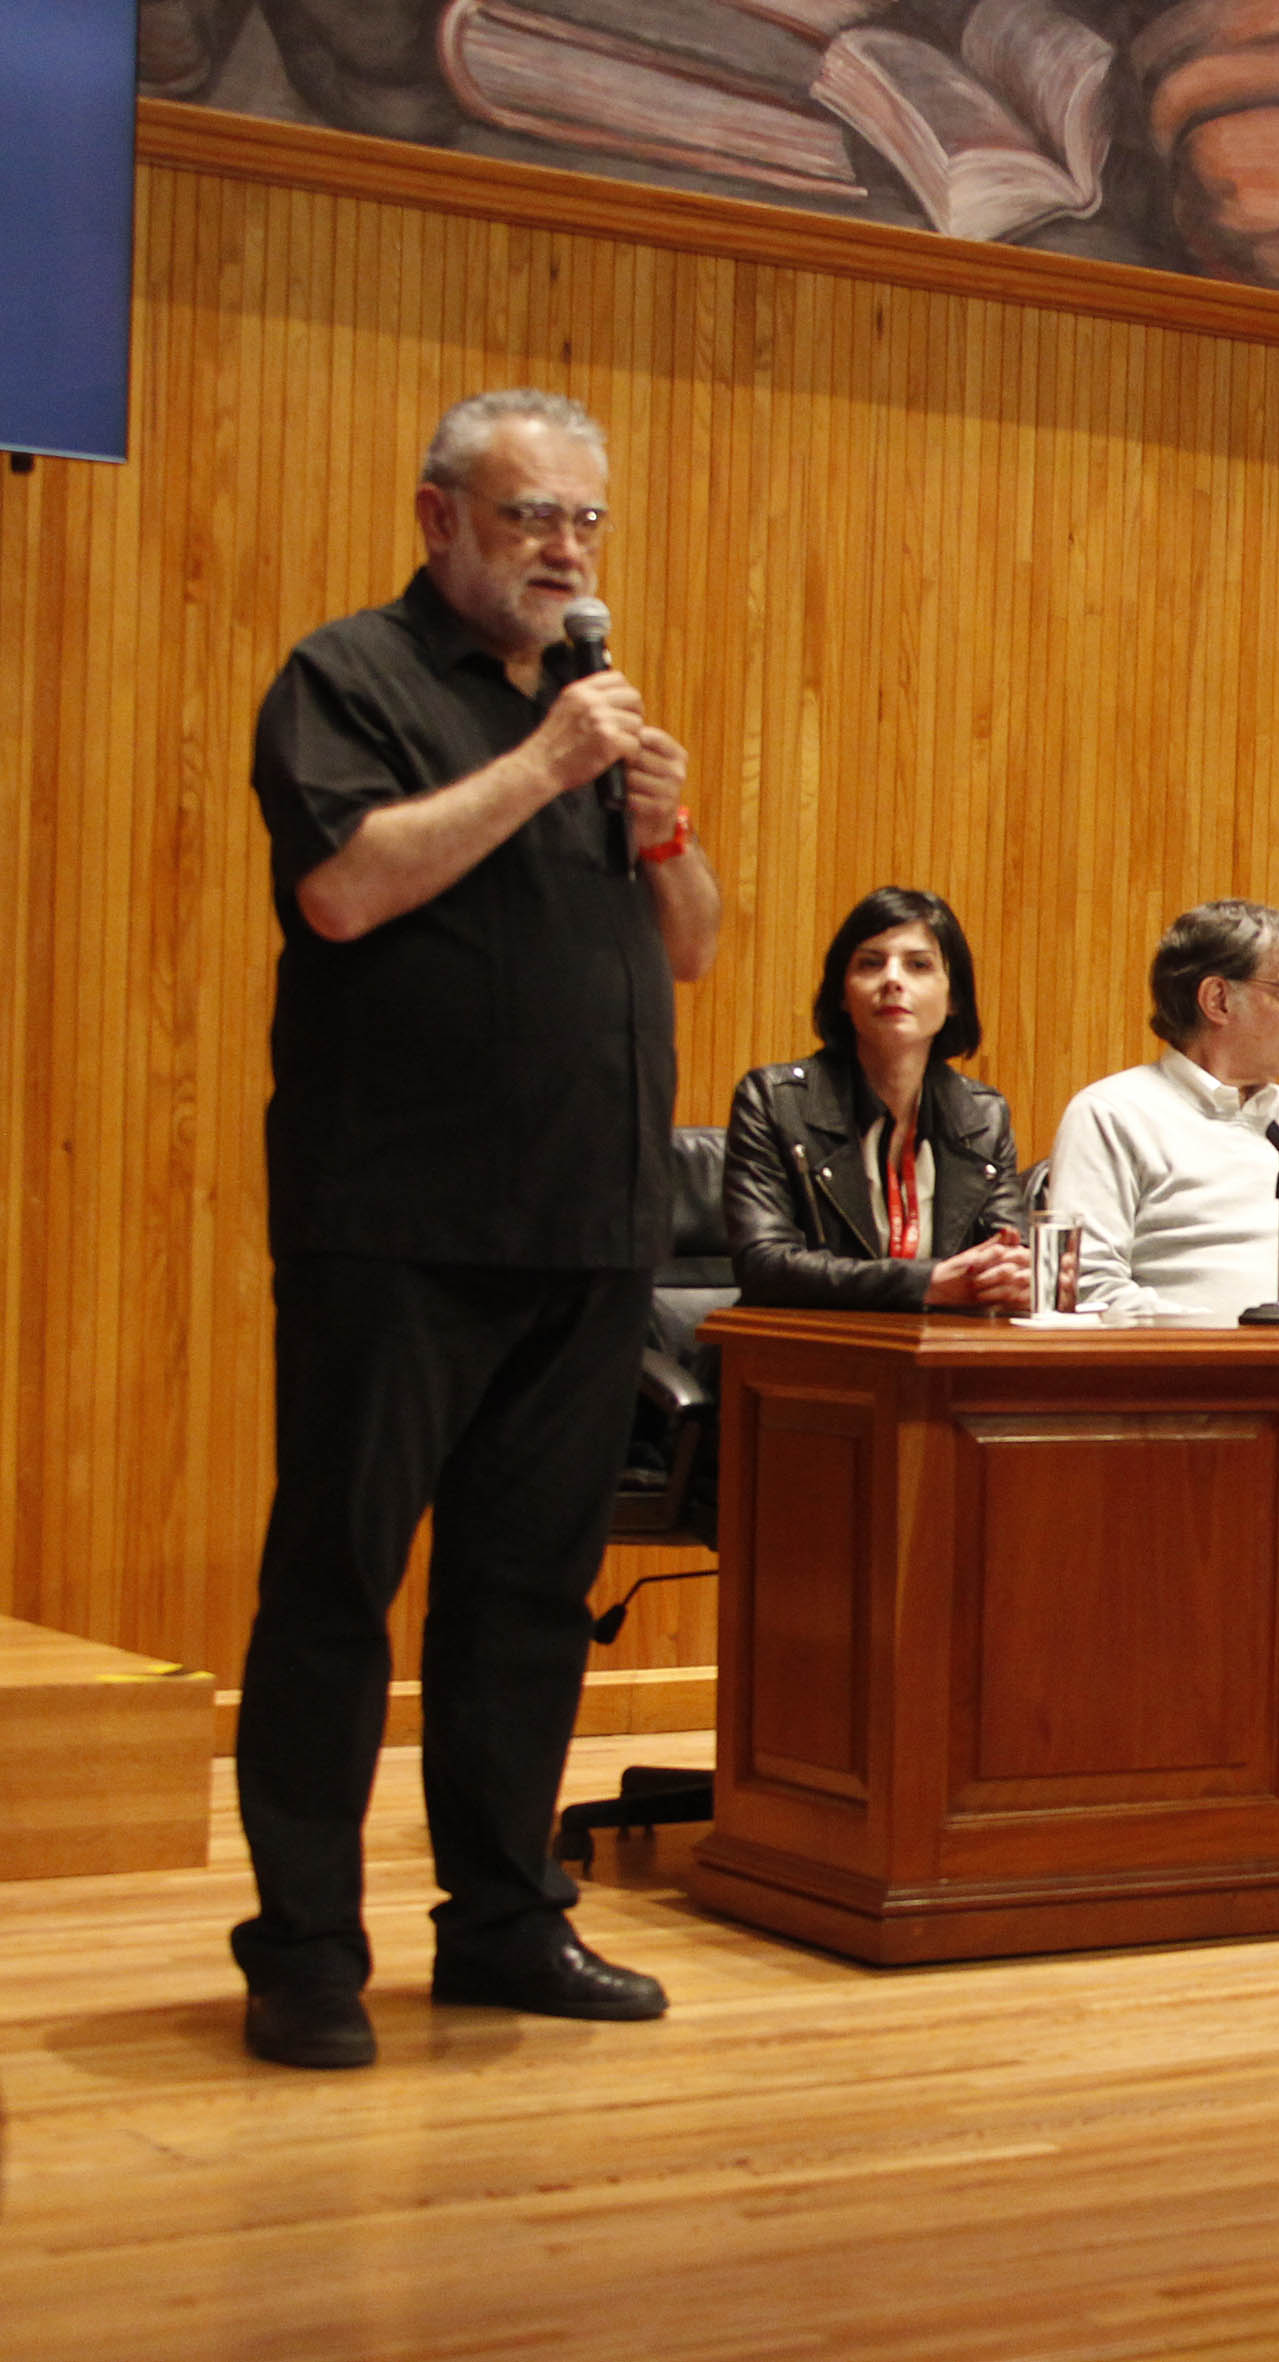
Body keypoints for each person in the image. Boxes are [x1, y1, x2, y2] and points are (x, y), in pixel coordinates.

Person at [234, 389, 723, 2069]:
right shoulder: (350, 679)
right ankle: (305, 1949)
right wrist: (544, 767)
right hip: (397, 1221)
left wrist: (660, 822)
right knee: (337, 1582)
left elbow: (691, 945)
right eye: (531, 517)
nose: (563, 552)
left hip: (588, 1230)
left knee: (524, 1597)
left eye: (585, 520)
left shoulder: (584, 716)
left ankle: (505, 1920)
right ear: (440, 517)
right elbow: (344, 887)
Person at [1050, 899, 1279, 1320]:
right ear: (1218, 1000)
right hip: (1183, 1361)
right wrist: (1226, 1342)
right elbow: (1090, 1287)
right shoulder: (1114, 1114)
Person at [723, 888, 1033, 1314]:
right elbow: (764, 1266)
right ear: (842, 994)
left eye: (918, 965)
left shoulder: (982, 1116)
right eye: (871, 963)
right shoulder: (774, 1102)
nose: (893, 980)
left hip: (942, 1349)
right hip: (807, 1346)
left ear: (954, 998)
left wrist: (1025, 1275)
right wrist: (924, 1284)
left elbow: (1007, 1250)